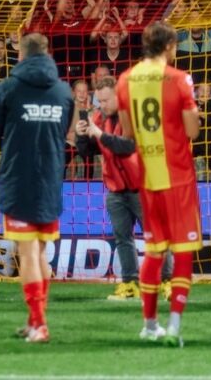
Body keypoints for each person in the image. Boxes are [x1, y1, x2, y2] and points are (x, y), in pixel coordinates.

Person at [0, 33, 74, 344]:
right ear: (47, 54)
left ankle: (39, 324)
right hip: (50, 178)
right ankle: (35, 320)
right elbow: (65, 130)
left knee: (28, 253)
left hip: (19, 178)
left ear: (21, 55)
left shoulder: (10, 86)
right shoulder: (63, 90)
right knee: (40, 252)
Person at [117, 21, 200, 347]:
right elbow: (192, 131)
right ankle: (174, 326)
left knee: (153, 252)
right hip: (178, 177)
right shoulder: (179, 79)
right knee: (183, 253)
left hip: (148, 178)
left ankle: (150, 325)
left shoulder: (125, 80)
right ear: (169, 47)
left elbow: (127, 133)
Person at [75, 74, 170, 302]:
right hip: (116, 191)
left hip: (144, 189)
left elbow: (127, 146)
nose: (102, 105)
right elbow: (88, 152)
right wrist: (81, 136)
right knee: (122, 239)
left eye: (106, 100)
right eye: (99, 101)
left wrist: (99, 134)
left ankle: (167, 281)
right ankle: (130, 284)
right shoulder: (99, 118)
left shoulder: (136, 115)